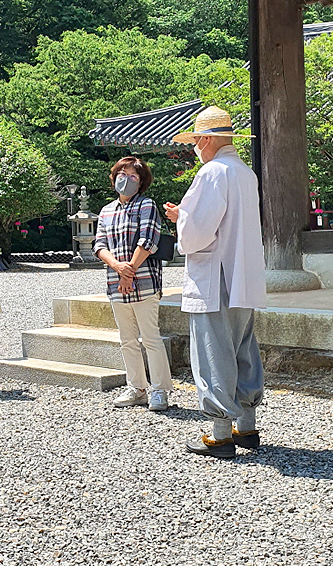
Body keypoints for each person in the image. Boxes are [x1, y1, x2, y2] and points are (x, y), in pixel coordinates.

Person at [165, 106, 267, 459]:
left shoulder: (212, 172)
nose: (195, 146)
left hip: (215, 277)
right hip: (243, 273)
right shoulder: (244, 172)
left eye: (196, 139)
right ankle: (247, 426)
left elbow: (196, 235)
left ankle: (220, 433)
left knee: (213, 352)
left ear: (206, 139)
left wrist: (181, 220)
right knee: (243, 347)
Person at [93, 156, 173, 412]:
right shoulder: (106, 210)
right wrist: (119, 268)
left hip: (145, 281)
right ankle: (136, 387)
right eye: (122, 174)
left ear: (141, 183)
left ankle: (160, 390)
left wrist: (128, 272)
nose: (126, 180)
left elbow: (147, 241)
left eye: (133, 177)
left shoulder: (147, 205)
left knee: (151, 337)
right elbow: (99, 245)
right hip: (116, 282)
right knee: (126, 338)